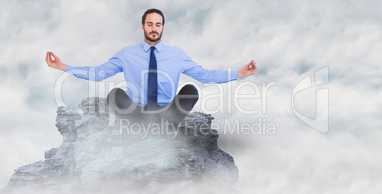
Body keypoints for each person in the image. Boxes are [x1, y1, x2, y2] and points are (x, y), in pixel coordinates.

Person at [45, 8, 256, 126]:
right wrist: (64, 66)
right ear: (143, 26)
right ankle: (145, 122)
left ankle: (165, 122)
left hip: (168, 109)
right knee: (114, 95)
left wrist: (239, 73)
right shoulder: (127, 54)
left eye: (158, 24)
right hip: (136, 109)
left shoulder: (177, 55)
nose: (154, 28)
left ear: (163, 27)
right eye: (150, 24)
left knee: (191, 91)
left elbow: (205, 75)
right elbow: (99, 73)